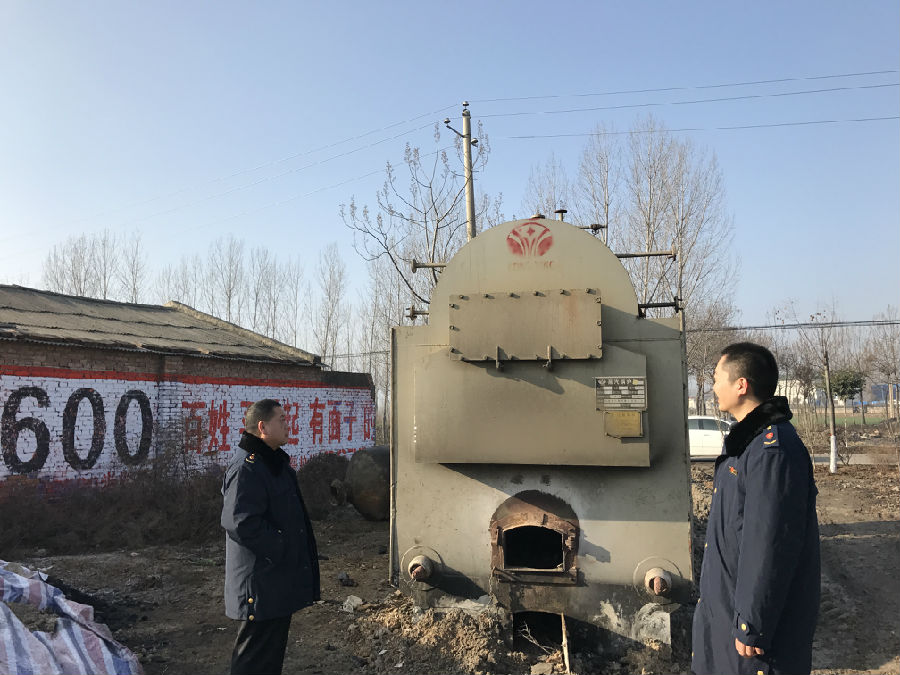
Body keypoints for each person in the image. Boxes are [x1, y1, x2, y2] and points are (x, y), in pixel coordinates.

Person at [692, 342, 820, 675]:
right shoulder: (746, 444)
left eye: (716, 377)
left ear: (741, 385)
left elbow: (769, 541)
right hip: (728, 609)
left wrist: (752, 622)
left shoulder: (771, 451)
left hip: (754, 636)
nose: (712, 386)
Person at [221, 399, 320, 675]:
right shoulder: (248, 467)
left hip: (274, 582)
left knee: (268, 659)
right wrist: (282, 547)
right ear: (263, 427)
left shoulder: (273, 464)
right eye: (282, 419)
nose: (288, 424)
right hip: (260, 584)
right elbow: (240, 522)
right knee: (254, 660)